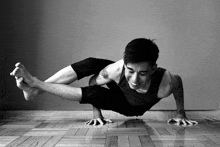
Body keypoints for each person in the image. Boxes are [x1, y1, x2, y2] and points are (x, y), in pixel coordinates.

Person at [10, 38, 198, 127]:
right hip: (118, 88)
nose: (134, 79)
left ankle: (36, 84)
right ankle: (34, 90)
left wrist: (181, 112)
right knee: (91, 64)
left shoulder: (165, 84)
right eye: (130, 71)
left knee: (94, 93)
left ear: (153, 69)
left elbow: (178, 82)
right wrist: (96, 110)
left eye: (142, 74)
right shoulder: (115, 69)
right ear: (124, 64)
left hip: (131, 106)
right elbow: (93, 81)